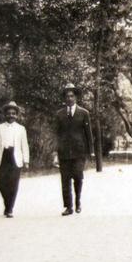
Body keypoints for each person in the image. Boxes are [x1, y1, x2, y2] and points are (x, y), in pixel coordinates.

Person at [54, 83, 94, 216]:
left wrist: (91, 151)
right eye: (67, 96)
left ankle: (78, 201)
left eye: (72, 96)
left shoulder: (84, 113)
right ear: (64, 98)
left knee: (78, 177)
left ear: (76, 97)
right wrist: (55, 153)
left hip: (79, 152)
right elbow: (56, 135)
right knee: (65, 180)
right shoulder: (59, 114)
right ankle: (68, 207)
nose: (69, 98)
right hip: (64, 152)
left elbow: (88, 133)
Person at [0, 101, 30, 218]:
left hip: (15, 157)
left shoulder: (21, 129)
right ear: (5, 114)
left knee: (13, 183)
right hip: (3, 157)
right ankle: (7, 204)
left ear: (16, 115)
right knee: (2, 184)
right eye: (9, 113)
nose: (11, 115)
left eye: (13, 113)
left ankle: (9, 208)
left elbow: (24, 145)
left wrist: (26, 161)